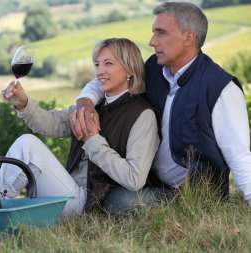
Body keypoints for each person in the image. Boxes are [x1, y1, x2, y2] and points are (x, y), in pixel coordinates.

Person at [73, 2, 251, 209]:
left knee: (117, 202)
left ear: (189, 37)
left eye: (161, 33)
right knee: (107, 195)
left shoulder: (221, 88)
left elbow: (238, 154)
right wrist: (86, 101)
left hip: (195, 197)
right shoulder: (154, 68)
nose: (151, 41)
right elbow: (113, 78)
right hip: (149, 182)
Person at [0, 38, 160, 217]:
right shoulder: (93, 106)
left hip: (89, 204)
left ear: (129, 69)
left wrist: (93, 140)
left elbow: (134, 179)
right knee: (26, 144)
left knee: (27, 145)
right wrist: (23, 104)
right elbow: (51, 124)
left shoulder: (143, 115)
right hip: (69, 190)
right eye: (97, 64)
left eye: (108, 64)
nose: (99, 71)